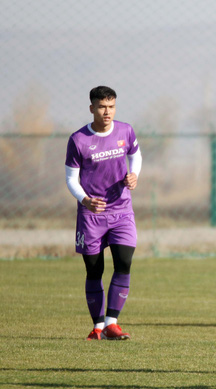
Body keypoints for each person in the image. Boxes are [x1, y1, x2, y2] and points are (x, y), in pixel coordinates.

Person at [65, 86, 142, 341]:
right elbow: (71, 179)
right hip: (91, 216)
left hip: (121, 211)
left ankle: (112, 324)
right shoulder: (78, 140)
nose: (107, 111)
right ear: (92, 108)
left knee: (124, 263)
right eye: (101, 106)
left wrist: (134, 175)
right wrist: (85, 200)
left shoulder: (125, 130)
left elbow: (136, 155)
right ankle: (98, 327)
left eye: (111, 106)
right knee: (94, 271)